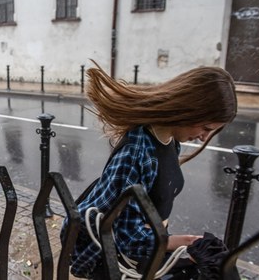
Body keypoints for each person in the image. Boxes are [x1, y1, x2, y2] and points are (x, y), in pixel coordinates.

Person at [63, 62, 237, 279]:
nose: (204, 137)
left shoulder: (169, 140)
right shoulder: (136, 152)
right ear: (189, 110)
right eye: (206, 128)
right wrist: (183, 244)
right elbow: (126, 240)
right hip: (124, 261)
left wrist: (183, 242)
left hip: (151, 245)